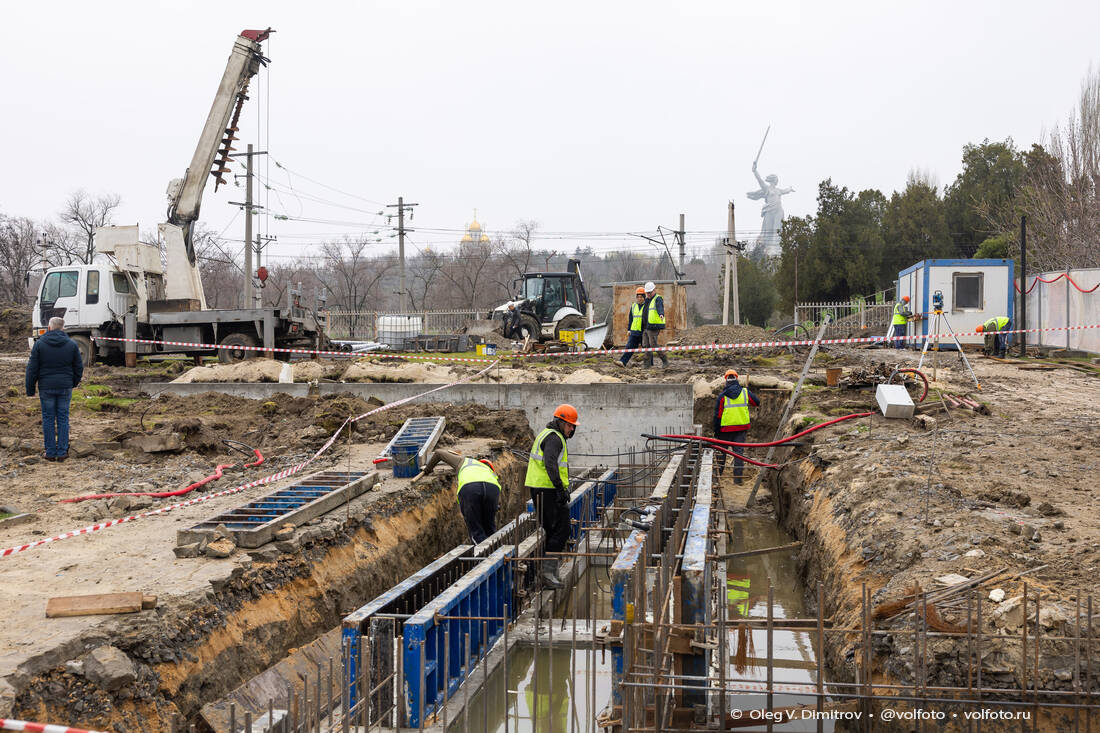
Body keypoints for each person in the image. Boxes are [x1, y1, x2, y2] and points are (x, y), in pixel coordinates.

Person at [525, 403, 578, 589]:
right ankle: (547, 573)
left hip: (541, 488)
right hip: (547, 490)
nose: (572, 429)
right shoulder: (554, 438)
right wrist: (560, 489)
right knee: (562, 530)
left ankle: (549, 571)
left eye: (573, 426)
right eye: (570, 425)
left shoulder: (548, 434)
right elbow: (550, 464)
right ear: (560, 422)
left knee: (552, 529)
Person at [25, 316, 83, 462]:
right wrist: (73, 382)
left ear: (49, 328)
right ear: (63, 328)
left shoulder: (39, 344)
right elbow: (78, 367)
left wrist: (30, 389)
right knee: (63, 418)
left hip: (46, 387)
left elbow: (32, 368)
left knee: (48, 419)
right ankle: (62, 452)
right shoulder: (71, 344)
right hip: (65, 386)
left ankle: (50, 452)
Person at [421, 450, 502, 544]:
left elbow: (439, 453)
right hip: (492, 489)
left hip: (470, 488)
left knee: (476, 531)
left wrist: (427, 470)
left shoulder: (465, 461)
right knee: (490, 529)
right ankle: (496, 549)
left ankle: (482, 550)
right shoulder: (489, 472)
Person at [712, 369, 759, 483]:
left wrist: (716, 431)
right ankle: (738, 480)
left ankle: (717, 478)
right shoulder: (745, 392)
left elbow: (718, 416)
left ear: (726, 380)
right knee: (739, 454)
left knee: (721, 453)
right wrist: (749, 392)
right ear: (737, 379)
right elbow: (756, 402)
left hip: (725, 430)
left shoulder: (722, 396)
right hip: (741, 429)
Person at [616, 287, 646, 367]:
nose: (639, 298)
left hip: (643, 331)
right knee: (629, 347)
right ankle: (623, 362)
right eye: (638, 297)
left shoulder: (647, 306)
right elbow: (631, 319)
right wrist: (629, 329)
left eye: (641, 297)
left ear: (644, 297)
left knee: (647, 348)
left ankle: (649, 364)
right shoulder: (634, 306)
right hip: (634, 331)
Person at [641, 281, 669, 369]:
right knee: (646, 345)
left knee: (653, 344)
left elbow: (660, 307)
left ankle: (664, 360)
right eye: (647, 293)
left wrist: (661, 314)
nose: (648, 294)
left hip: (654, 326)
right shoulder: (647, 300)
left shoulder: (658, 299)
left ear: (654, 290)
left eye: (650, 292)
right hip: (646, 326)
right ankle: (647, 364)